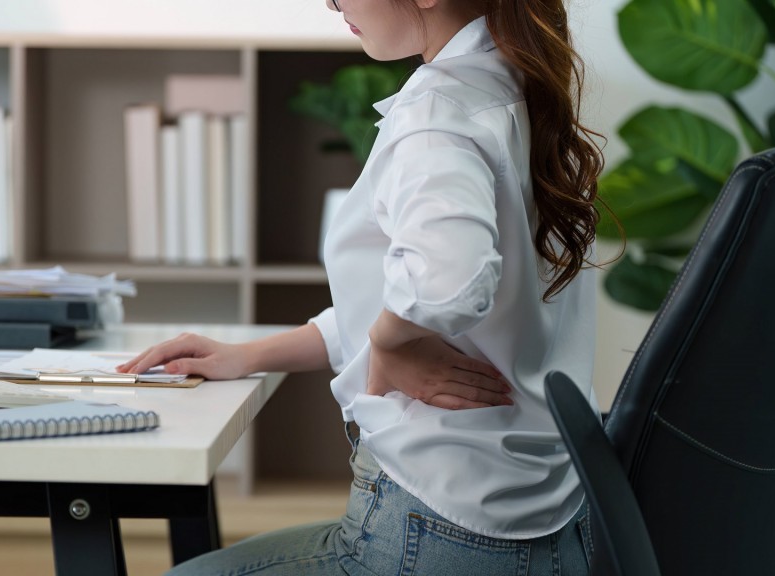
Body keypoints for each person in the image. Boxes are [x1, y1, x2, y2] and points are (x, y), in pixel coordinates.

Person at [118, 0, 607, 573]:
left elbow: (449, 281)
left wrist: (392, 343)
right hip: (559, 529)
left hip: (439, 529)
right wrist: (250, 355)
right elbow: (413, 297)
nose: (329, 2)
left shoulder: (437, 110)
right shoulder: (518, 89)